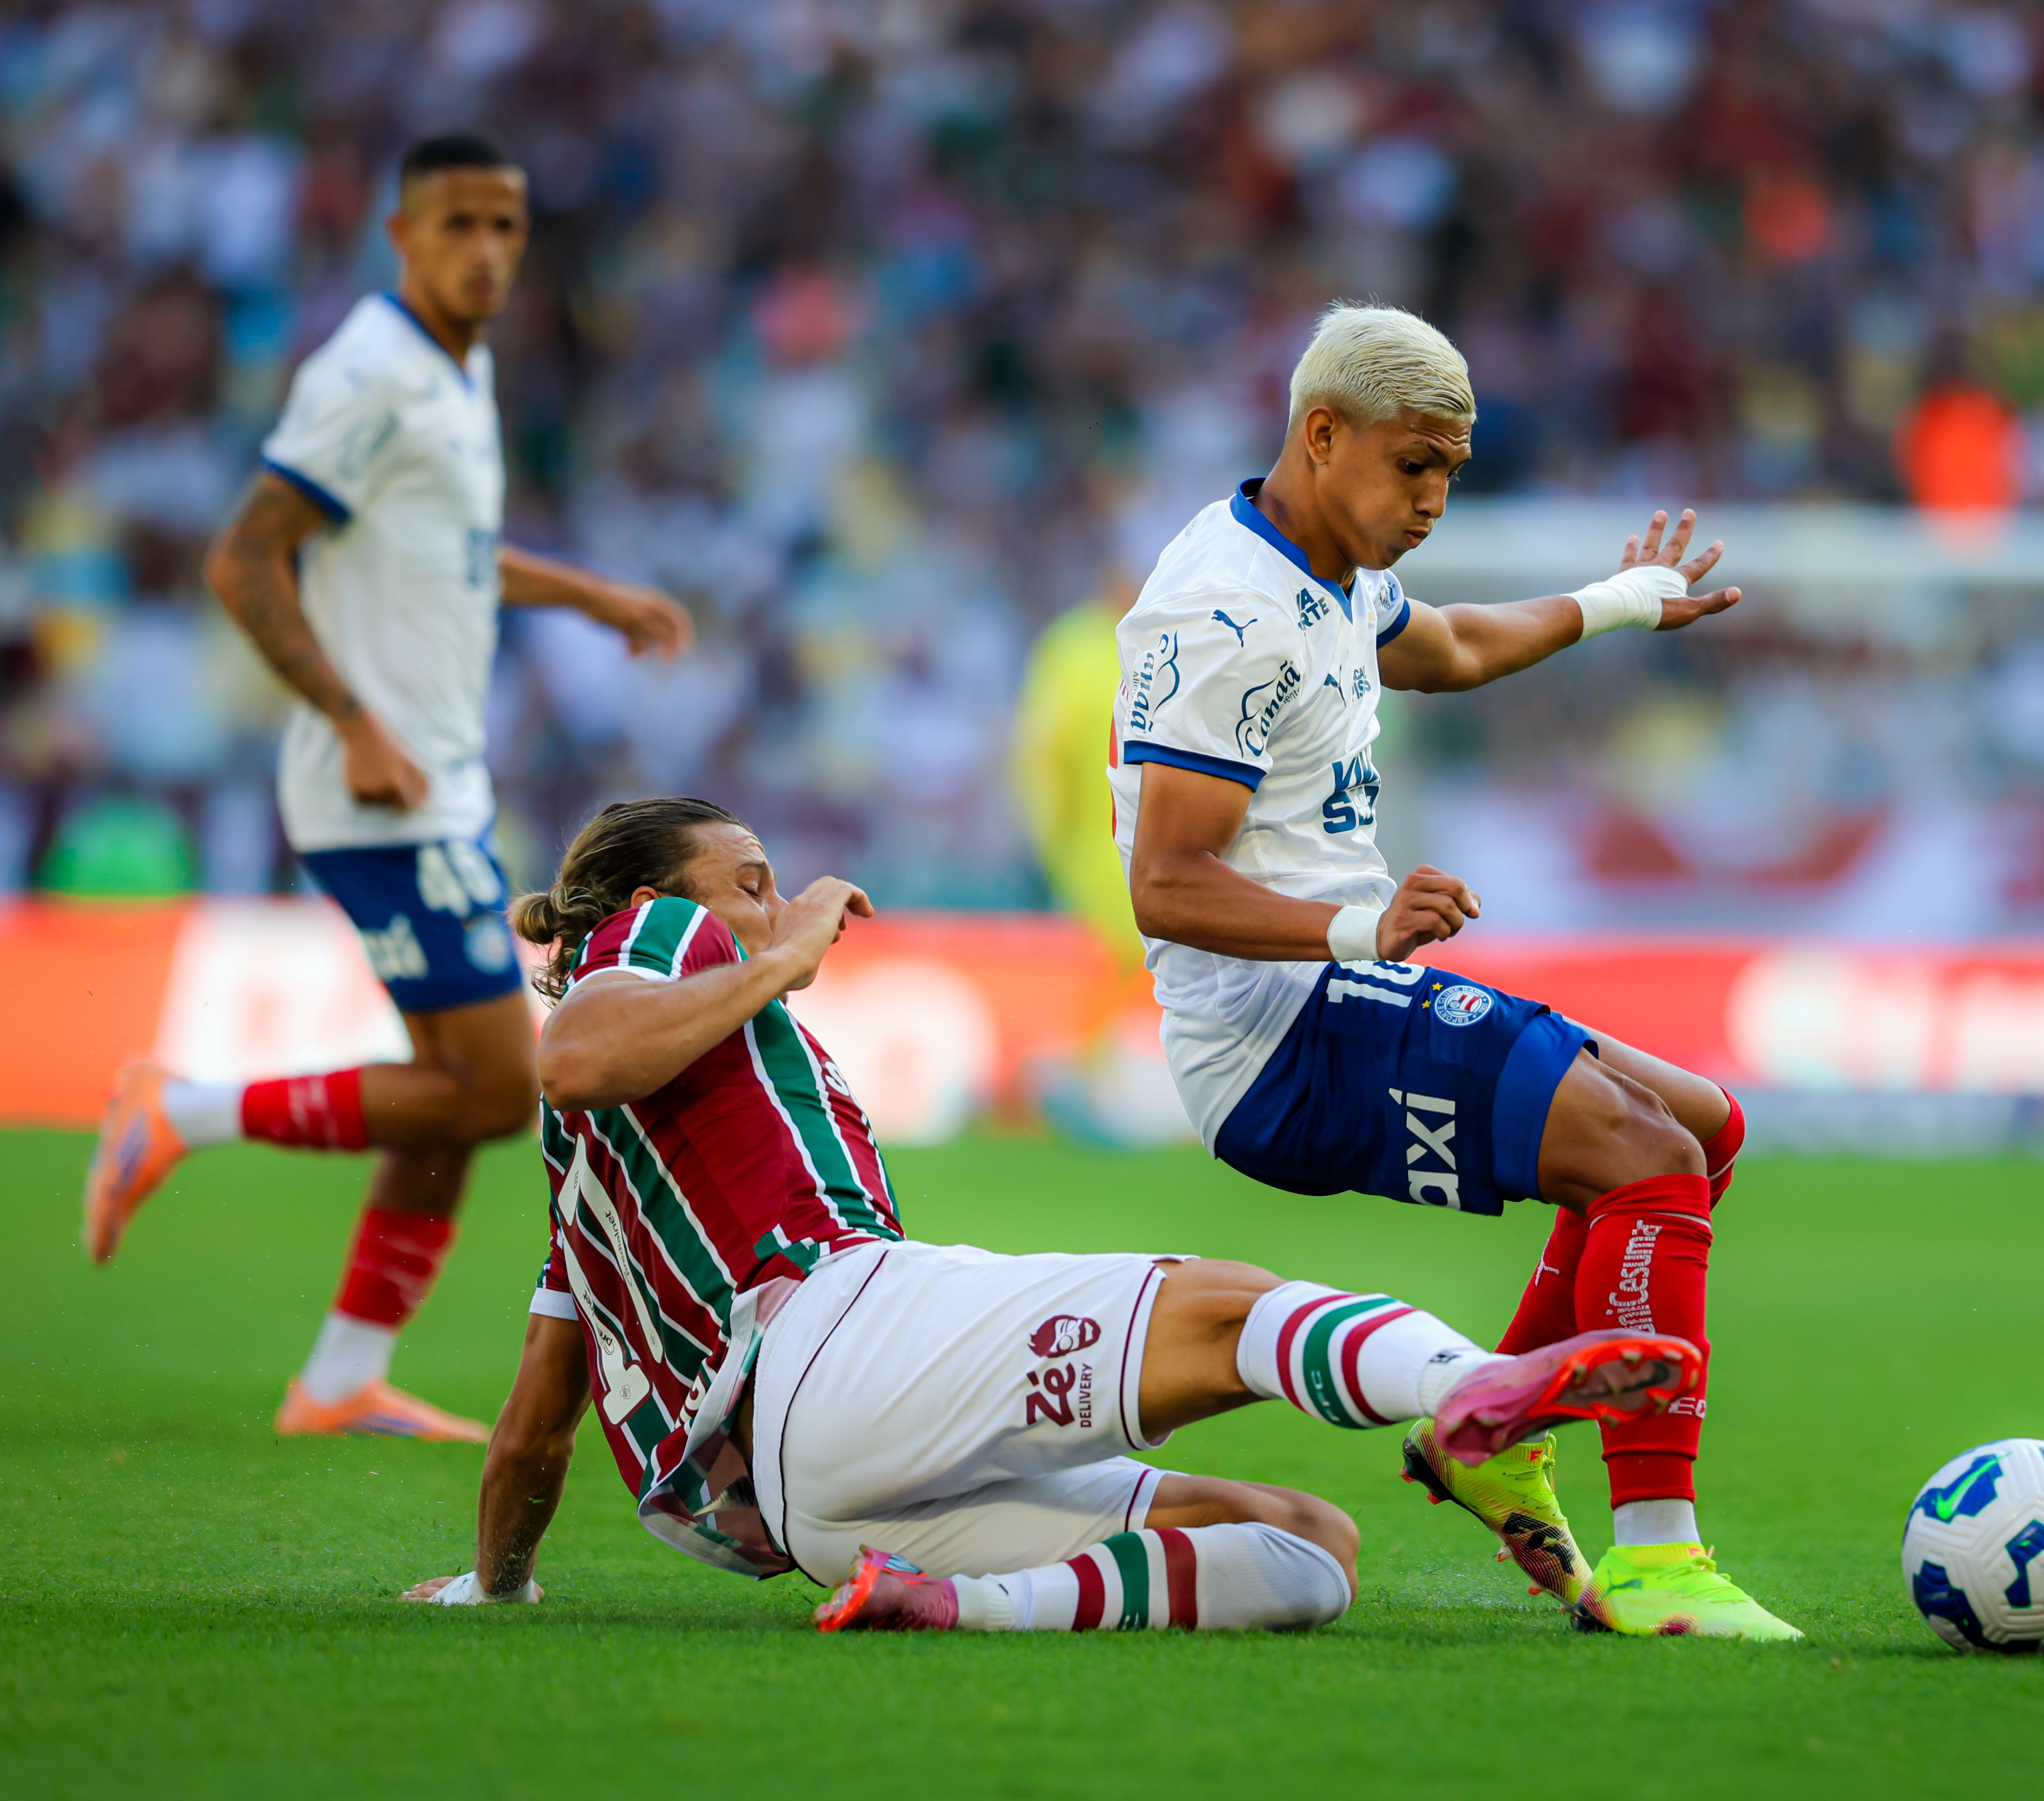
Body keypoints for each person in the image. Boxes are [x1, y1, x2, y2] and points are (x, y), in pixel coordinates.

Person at [396, 797, 1696, 1634]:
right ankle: (1476, 1392)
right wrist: (781, 946)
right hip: (831, 1332)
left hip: (816, 1512)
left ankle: (958, 1607)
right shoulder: (663, 934)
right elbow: (573, 1053)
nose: (770, 898)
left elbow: (533, 1424)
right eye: (750, 878)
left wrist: (492, 1583)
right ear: (648, 902)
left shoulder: (597, 1185)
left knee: (1306, 1547)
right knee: (1224, 1304)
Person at [1109, 302, 1792, 1639]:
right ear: (1321, 434)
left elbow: (1456, 650)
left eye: (1451, 474)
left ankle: (1491, 1431)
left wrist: (1614, 604)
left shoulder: (1333, 561)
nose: (1431, 500)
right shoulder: (1216, 612)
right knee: (1640, 1157)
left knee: (1704, 1130)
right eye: (1412, 466)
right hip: (1277, 1037)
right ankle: (1658, 1563)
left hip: (1338, 990)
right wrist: (1361, 931)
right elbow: (1167, 884)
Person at [79, 132, 694, 1442]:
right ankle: (177, 1108)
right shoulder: (365, 375)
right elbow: (243, 562)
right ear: (402, 235)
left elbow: (446, 554)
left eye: (506, 227)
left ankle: (343, 1374)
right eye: (459, 224)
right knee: (494, 1084)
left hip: (438, 783)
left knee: (459, 1090)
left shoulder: (454, 371)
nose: (487, 251)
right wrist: (349, 717)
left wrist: (583, 592)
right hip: (378, 790)